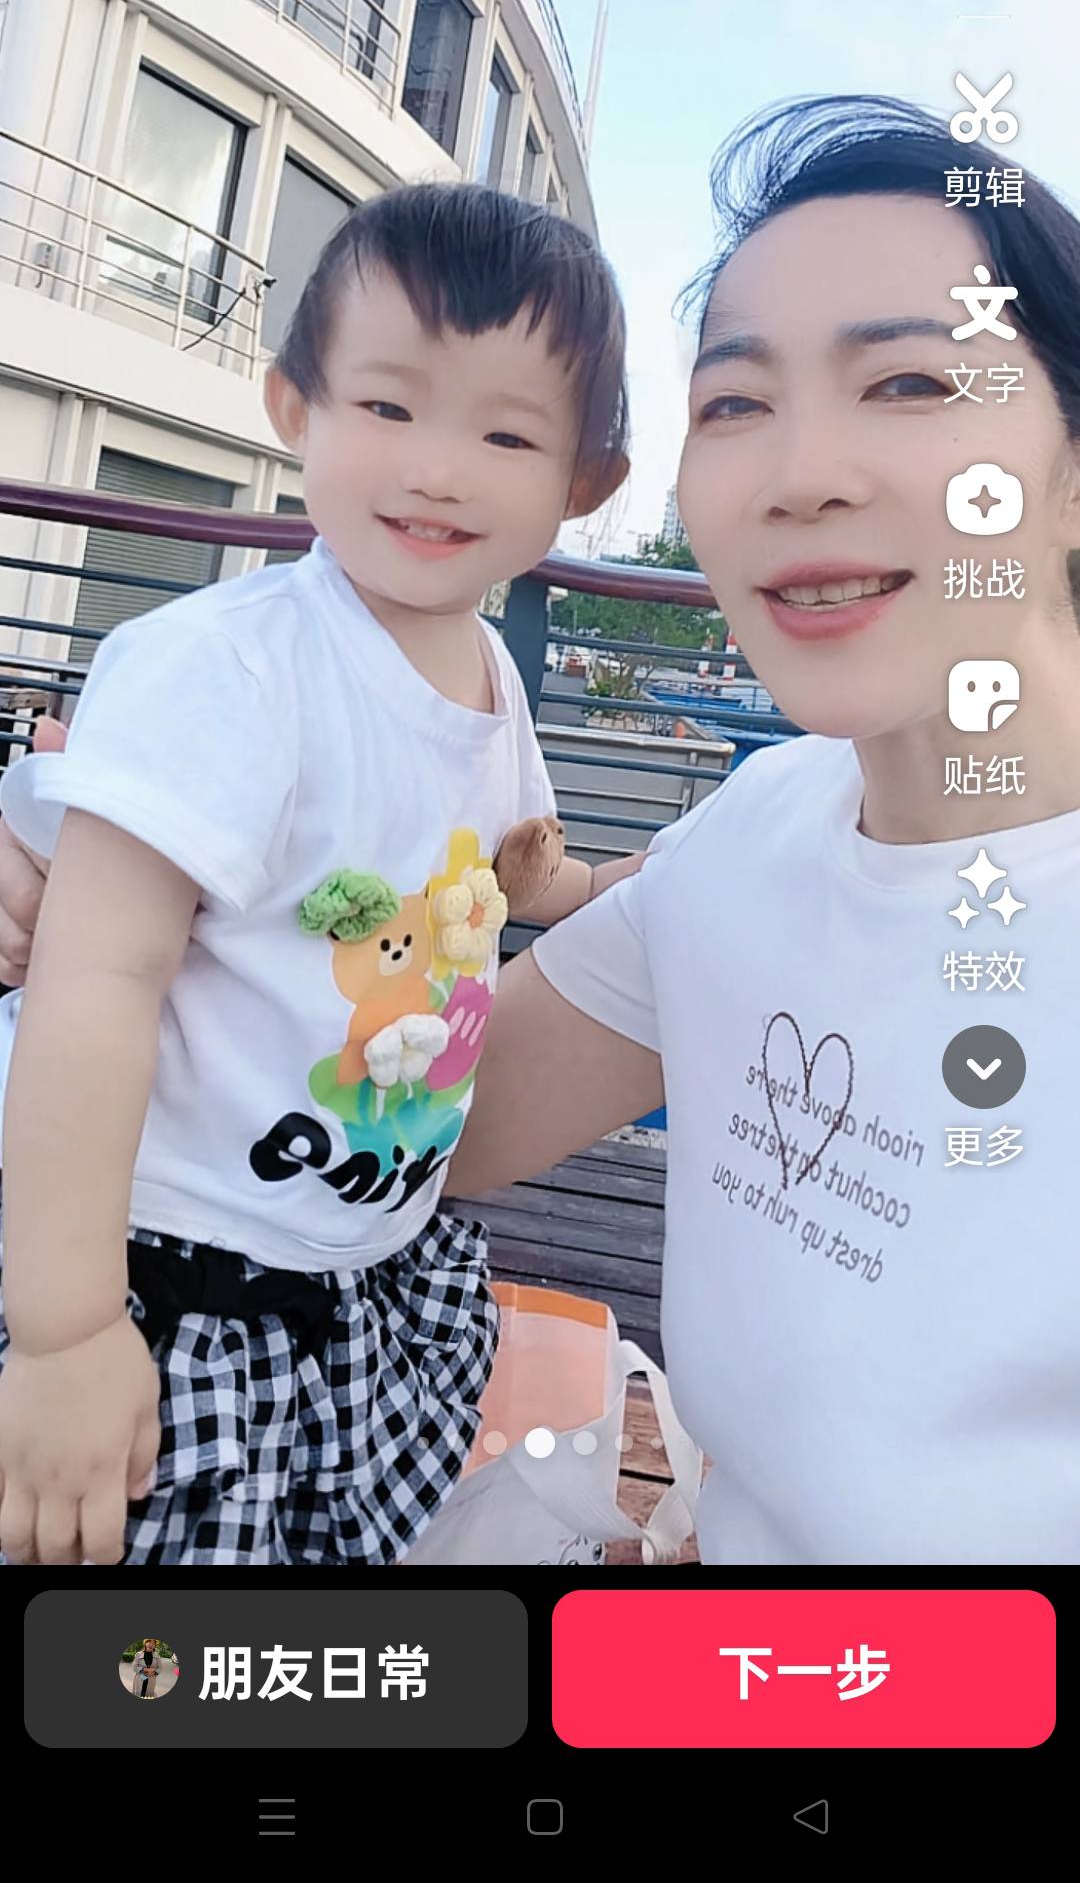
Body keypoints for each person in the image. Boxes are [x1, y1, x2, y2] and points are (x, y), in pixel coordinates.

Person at [450, 96, 1080, 1565]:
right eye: (735, 402)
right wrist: (141, 897)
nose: (801, 476)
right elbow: (429, 1124)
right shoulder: (754, 836)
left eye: (912, 383)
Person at [0, 182, 639, 1569]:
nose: (438, 469)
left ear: (582, 484)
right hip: (158, 1268)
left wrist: (596, 891)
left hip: (349, 1251)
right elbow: (92, 983)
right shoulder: (231, 671)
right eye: (389, 407)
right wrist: (63, 1330)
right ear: (296, 408)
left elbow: (499, 868)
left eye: (506, 433)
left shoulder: (486, 669)